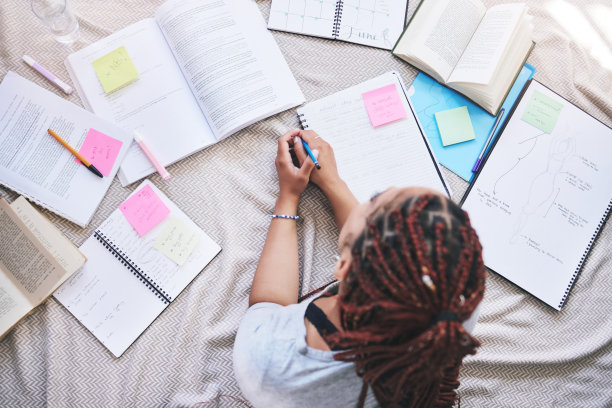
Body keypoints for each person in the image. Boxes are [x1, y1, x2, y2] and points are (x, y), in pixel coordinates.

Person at [233, 129, 486, 408]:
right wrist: (331, 181)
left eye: (375, 199)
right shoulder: (457, 298)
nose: (390, 188)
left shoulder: (269, 364)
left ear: (342, 266)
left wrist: (288, 196)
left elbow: (267, 305)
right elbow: (377, 248)